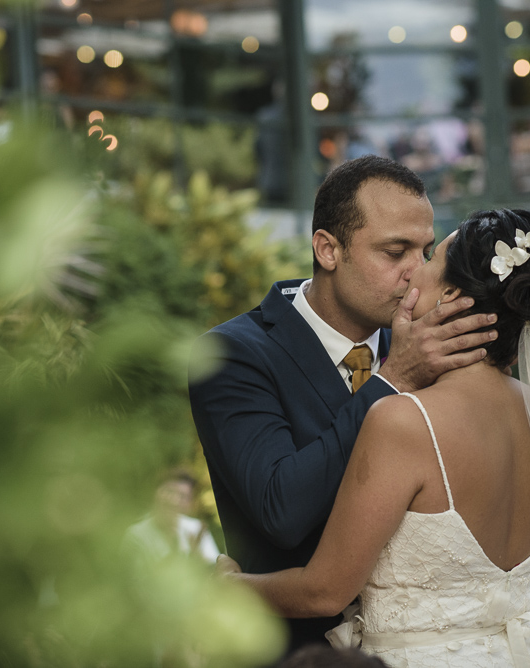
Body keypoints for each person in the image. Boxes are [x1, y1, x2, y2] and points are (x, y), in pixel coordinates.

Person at [218, 209, 530, 667]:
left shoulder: (403, 421)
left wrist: (229, 588)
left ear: (450, 294)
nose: (414, 268)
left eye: (430, 258)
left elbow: (325, 591)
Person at [188, 156, 498, 653]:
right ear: (328, 249)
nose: (415, 272)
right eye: (395, 251)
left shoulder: (425, 349)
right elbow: (281, 510)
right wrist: (392, 381)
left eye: (423, 251)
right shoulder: (232, 355)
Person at [124, 468, 220, 565]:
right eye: (169, 492)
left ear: (189, 503)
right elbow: (136, 578)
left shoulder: (196, 528)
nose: (174, 501)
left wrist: (197, 556)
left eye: (182, 496)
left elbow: (215, 569)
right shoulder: (135, 534)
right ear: (155, 493)